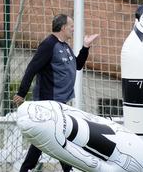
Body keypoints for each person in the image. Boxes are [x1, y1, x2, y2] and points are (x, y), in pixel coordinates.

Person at [13, 13, 99, 172]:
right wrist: (22, 93)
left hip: (60, 103)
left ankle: (28, 169)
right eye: (71, 26)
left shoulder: (65, 46)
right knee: (54, 136)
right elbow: (32, 68)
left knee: (52, 137)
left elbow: (78, 65)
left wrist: (85, 47)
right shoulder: (48, 45)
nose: (74, 29)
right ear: (63, 27)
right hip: (48, 102)